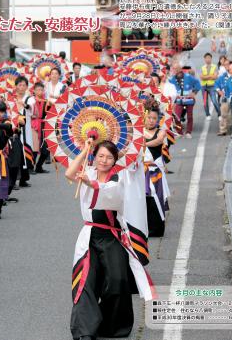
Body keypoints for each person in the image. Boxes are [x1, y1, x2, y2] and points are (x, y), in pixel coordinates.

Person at [66, 139, 154, 340]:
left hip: (112, 236)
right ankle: (84, 331)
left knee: (117, 280)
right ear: (94, 157)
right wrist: (85, 151)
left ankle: (111, 326)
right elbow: (69, 173)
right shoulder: (86, 171)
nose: (104, 161)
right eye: (100, 156)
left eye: (109, 157)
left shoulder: (120, 177)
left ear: (115, 160)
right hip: (89, 236)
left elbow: (113, 196)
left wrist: (93, 184)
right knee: (85, 282)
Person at [144, 108, 170, 237]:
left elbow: (159, 141)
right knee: (143, 199)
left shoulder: (161, 132)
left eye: (154, 118)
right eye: (149, 117)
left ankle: (157, 229)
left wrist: (142, 143)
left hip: (156, 172)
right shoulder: (138, 131)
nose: (151, 120)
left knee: (157, 198)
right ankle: (144, 227)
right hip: (142, 172)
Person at [169, 65, 201, 138]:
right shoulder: (172, 79)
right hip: (179, 100)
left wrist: (194, 92)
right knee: (177, 116)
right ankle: (179, 132)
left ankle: (188, 132)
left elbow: (197, 83)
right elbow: (170, 89)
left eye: (176, 68)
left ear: (180, 69)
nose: (175, 70)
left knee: (190, 116)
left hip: (189, 99)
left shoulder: (188, 77)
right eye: (174, 69)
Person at [14, 76, 32, 186]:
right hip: (15, 129)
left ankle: (24, 178)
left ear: (26, 87)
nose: (21, 87)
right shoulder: (12, 98)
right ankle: (15, 179)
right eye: (19, 85)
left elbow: (32, 108)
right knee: (15, 153)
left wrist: (24, 104)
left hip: (25, 129)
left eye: (24, 85)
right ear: (16, 86)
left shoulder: (29, 98)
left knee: (25, 152)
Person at [199, 53, 220, 120]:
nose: (208, 59)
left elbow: (215, 76)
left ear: (211, 58)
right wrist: (210, 76)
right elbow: (201, 77)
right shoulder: (202, 67)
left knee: (214, 100)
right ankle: (207, 115)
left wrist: (206, 77)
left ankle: (219, 114)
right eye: (206, 58)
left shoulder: (215, 66)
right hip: (204, 87)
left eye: (209, 58)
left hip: (212, 86)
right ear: (204, 59)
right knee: (205, 102)